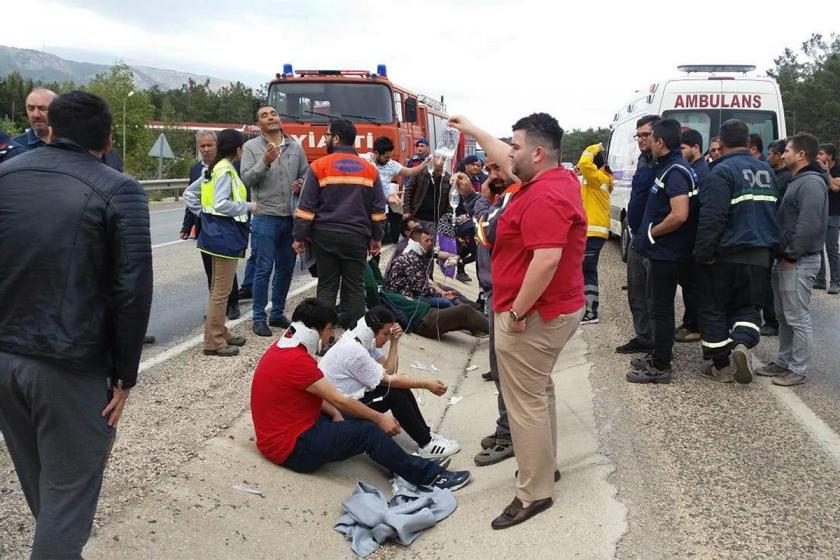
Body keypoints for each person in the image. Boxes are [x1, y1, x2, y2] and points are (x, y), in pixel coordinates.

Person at [0, 91, 153, 557]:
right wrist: (125, 376)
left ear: (50, 127)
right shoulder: (119, 189)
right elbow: (132, 290)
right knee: (68, 495)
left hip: (5, 360)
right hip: (68, 367)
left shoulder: (5, 176)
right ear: (107, 140)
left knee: (44, 483)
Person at [449, 112, 586, 530]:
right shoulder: (546, 179)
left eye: (517, 146)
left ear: (538, 153)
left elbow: (546, 261)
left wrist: (518, 312)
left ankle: (534, 492)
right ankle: (544, 469)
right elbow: (506, 160)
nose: (509, 153)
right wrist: (471, 129)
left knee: (524, 403)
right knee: (538, 393)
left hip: (534, 314)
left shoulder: (544, 195)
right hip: (547, 309)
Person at [250, 298, 471, 490]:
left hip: (289, 430)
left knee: (368, 417)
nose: (330, 336)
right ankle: (429, 477)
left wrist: (336, 415)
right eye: (329, 330)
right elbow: (338, 398)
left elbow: (317, 395)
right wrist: (379, 418)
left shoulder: (282, 350)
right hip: (289, 447)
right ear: (314, 330)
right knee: (368, 431)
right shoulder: (298, 361)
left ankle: (407, 462)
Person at [693, 119, 780, 384]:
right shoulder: (767, 172)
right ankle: (742, 344)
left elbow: (712, 218)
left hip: (726, 255)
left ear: (721, 141)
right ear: (747, 141)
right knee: (748, 307)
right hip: (760, 255)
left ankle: (721, 366)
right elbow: (774, 213)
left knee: (713, 309)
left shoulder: (721, 172)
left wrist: (702, 253)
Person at [319, 306, 460, 459]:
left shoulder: (361, 339)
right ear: (370, 332)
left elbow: (389, 370)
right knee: (395, 393)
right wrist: (426, 384)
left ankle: (425, 434)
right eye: (385, 334)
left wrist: (394, 342)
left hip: (344, 400)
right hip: (338, 411)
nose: (387, 338)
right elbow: (389, 380)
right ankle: (426, 443)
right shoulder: (354, 351)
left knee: (399, 388)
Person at [293, 119, 388, 328]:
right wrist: (376, 237)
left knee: (327, 287)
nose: (325, 139)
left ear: (336, 138)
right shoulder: (369, 170)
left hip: (325, 237)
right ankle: (353, 338)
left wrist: (300, 237)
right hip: (357, 238)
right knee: (354, 287)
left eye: (327, 135)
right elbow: (378, 209)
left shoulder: (319, 166)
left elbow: (306, 207)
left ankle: (322, 337)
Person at [627, 118, 697, 384]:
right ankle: (657, 354)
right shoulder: (669, 167)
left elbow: (679, 215)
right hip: (663, 252)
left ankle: (661, 366)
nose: (647, 143)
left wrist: (651, 233)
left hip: (667, 253)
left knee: (661, 309)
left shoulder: (676, 171)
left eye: (650, 138)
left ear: (660, 142)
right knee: (658, 308)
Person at [757, 133, 829, 386]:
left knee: (797, 316)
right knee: (785, 315)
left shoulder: (811, 183)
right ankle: (783, 361)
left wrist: (791, 255)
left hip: (798, 261)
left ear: (800, 155)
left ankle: (798, 369)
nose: (782, 153)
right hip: (787, 259)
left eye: (787, 150)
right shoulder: (797, 180)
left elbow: (809, 225)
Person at [467, 156, 521, 467]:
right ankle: (507, 428)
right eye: (488, 170)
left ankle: (511, 435)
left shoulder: (510, 198)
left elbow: (485, 234)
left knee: (506, 373)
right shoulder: (505, 196)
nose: (491, 175)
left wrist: (480, 202)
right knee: (501, 372)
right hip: (497, 295)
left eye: (496, 168)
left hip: (506, 298)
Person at [183, 129, 256, 357]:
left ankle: (220, 332)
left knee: (218, 289)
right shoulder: (225, 170)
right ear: (238, 149)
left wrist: (205, 214)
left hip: (214, 235)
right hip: (225, 236)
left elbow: (189, 194)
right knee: (221, 292)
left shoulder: (214, 168)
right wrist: (248, 206)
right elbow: (222, 203)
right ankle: (213, 342)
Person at [241, 106, 309, 336]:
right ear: (258, 124)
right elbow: (247, 179)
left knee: (285, 268)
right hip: (265, 217)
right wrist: (265, 162)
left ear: (279, 118)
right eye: (264, 115)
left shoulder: (295, 146)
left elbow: (307, 174)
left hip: (290, 217)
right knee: (263, 268)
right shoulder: (251, 148)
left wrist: (301, 182)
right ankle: (258, 317)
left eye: (273, 114)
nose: (270, 117)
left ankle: (277, 313)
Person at [180, 130, 242, 319]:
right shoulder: (195, 170)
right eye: (202, 146)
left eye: (210, 145)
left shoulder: (231, 166)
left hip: (226, 227)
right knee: (211, 270)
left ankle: (232, 304)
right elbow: (192, 200)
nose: (206, 149)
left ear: (218, 146)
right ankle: (217, 309)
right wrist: (186, 226)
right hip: (204, 228)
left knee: (226, 269)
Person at [615, 115, 660, 355]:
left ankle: (658, 347)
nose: (641, 139)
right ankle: (644, 337)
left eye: (646, 135)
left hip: (655, 239)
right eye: (638, 135)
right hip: (636, 237)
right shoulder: (643, 160)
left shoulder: (664, 163)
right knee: (637, 293)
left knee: (655, 297)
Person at [364, 260, 490, 339]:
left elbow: (377, 278)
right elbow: (370, 285)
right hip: (424, 321)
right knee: (464, 310)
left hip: (428, 312)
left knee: (461, 312)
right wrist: (363, 261)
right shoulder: (375, 298)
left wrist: (371, 257)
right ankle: (495, 332)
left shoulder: (381, 290)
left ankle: (481, 326)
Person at [673, 128, 710, 343]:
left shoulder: (701, 172)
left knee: (694, 286)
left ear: (696, 147)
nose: (679, 151)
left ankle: (696, 326)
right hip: (689, 238)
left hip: (695, 238)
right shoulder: (692, 168)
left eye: (683, 148)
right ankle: (690, 321)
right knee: (688, 285)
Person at [362, 136, 430, 243]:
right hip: (363, 211)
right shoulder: (362, 160)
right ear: (376, 153)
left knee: (376, 244)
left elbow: (410, 172)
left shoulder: (391, 165)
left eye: (390, 157)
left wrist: (424, 164)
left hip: (380, 213)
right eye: (385, 157)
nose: (388, 160)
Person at [577, 143, 614, 325]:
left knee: (588, 271)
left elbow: (584, 164)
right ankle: (586, 308)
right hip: (592, 232)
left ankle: (591, 312)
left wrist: (594, 147)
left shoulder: (598, 178)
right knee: (585, 270)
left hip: (593, 231)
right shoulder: (599, 179)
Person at [384, 228, 467, 308]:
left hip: (414, 292)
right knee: (447, 302)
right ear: (416, 243)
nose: (430, 243)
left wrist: (441, 292)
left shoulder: (416, 253)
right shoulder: (412, 259)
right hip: (406, 299)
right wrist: (441, 294)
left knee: (454, 296)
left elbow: (423, 283)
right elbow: (422, 290)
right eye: (427, 241)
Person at [760, 139, 794, 336]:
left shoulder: (787, 178)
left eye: (771, 153)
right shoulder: (771, 174)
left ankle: (773, 321)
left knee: (773, 283)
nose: (769, 156)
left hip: (777, 234)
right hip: (770, 232)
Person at [403, 155, 452, 234]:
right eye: (436, 169)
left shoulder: (448, 179)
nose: (439, 172)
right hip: (416, 215)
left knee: (429, 243)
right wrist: (406, 210)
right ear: (431, 166)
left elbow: (449, 202)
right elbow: (409, 190)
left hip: (434, 220)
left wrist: (447, 219)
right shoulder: (420, 173)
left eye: (441, 169)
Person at [815, 143, 840, 293]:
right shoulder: (818, 169)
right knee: (817, 248)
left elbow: (836, 187)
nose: (818, 157)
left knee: (831, 248)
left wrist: (826, 172)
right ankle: (820, 279)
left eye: (821, 154)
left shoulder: (837, 169)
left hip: (834, 213)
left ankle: (836, 282)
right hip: (820, 213)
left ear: (830, 156)